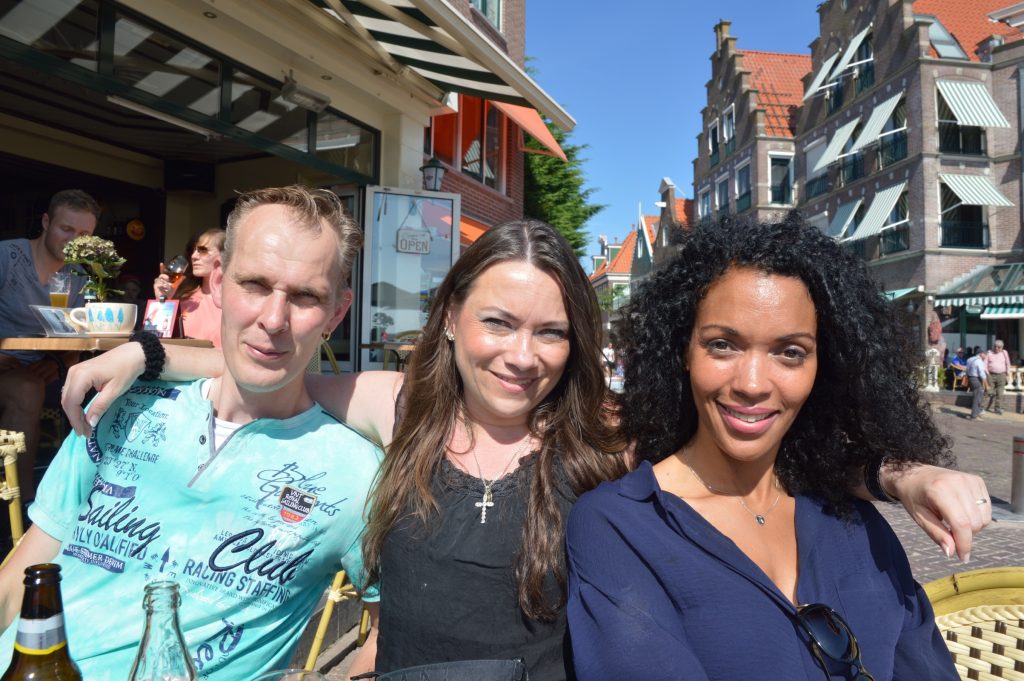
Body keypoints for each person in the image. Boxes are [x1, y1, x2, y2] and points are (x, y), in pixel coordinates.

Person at [61, 222, 991, 680]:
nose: (521, 353)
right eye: (498, 321)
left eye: (550, 331)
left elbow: (759, 426)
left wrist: (901, 471)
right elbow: (271, 360)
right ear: (453, 323)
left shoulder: (602, 440)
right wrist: (144, 349)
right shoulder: (399, 409)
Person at [0, 186, 381, 679]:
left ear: (337, 313)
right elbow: (21, 577)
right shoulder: (123, 407)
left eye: (306, 296)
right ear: (219, 283)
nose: (273, 319)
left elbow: (391, 627)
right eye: (255, 285)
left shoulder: (358, 473)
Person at [565, 216, 962, 680]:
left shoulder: (856, 523)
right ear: (683, 352)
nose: (752, 384)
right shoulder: (620, 528)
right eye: (723, 345)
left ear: (825, 366)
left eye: (790, 352)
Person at [0, 189, 97, 500]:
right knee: (27, 388)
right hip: (8, 367)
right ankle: (19, 505)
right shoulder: (7, 257)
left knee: (108, 389)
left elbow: (78, 339)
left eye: (84, 234)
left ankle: (82, 501)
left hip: (41, 371)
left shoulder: (80, 277)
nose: (73, 240)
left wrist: (57, 363)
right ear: (45, 222)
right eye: (66, 229)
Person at [153, 228, 226, 346]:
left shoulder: (236, 303)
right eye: (194, 250)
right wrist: (163, 300)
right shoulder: (184, 300)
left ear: (225, 257)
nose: (194, 256)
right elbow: (156, 340)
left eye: (203, 250)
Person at [985, 339, 1010, 414]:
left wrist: (1008, 374)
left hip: (1002, 375)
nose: (996, 348)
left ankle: (997, 408)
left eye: (999, 347)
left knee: (1000, 393)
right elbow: (985, 364)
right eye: (995, 346)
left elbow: (1007, 363)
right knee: (988, 391)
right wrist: (987, 374)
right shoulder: (989, 353)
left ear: (1002, 347)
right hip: (991, 375)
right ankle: (982, 407)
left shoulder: (1004, 353)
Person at [967, 349, 989, 420]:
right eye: (985, 354)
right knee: (978, 397)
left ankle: (976, 413)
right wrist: (986, 385)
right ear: (980, 354)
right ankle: (974, 415)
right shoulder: (979, 361)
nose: (986, 356)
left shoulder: (970, 359)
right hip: (976, 379)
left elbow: (967, 369)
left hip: (970, 378)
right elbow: (982, 374)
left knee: (976, 396)